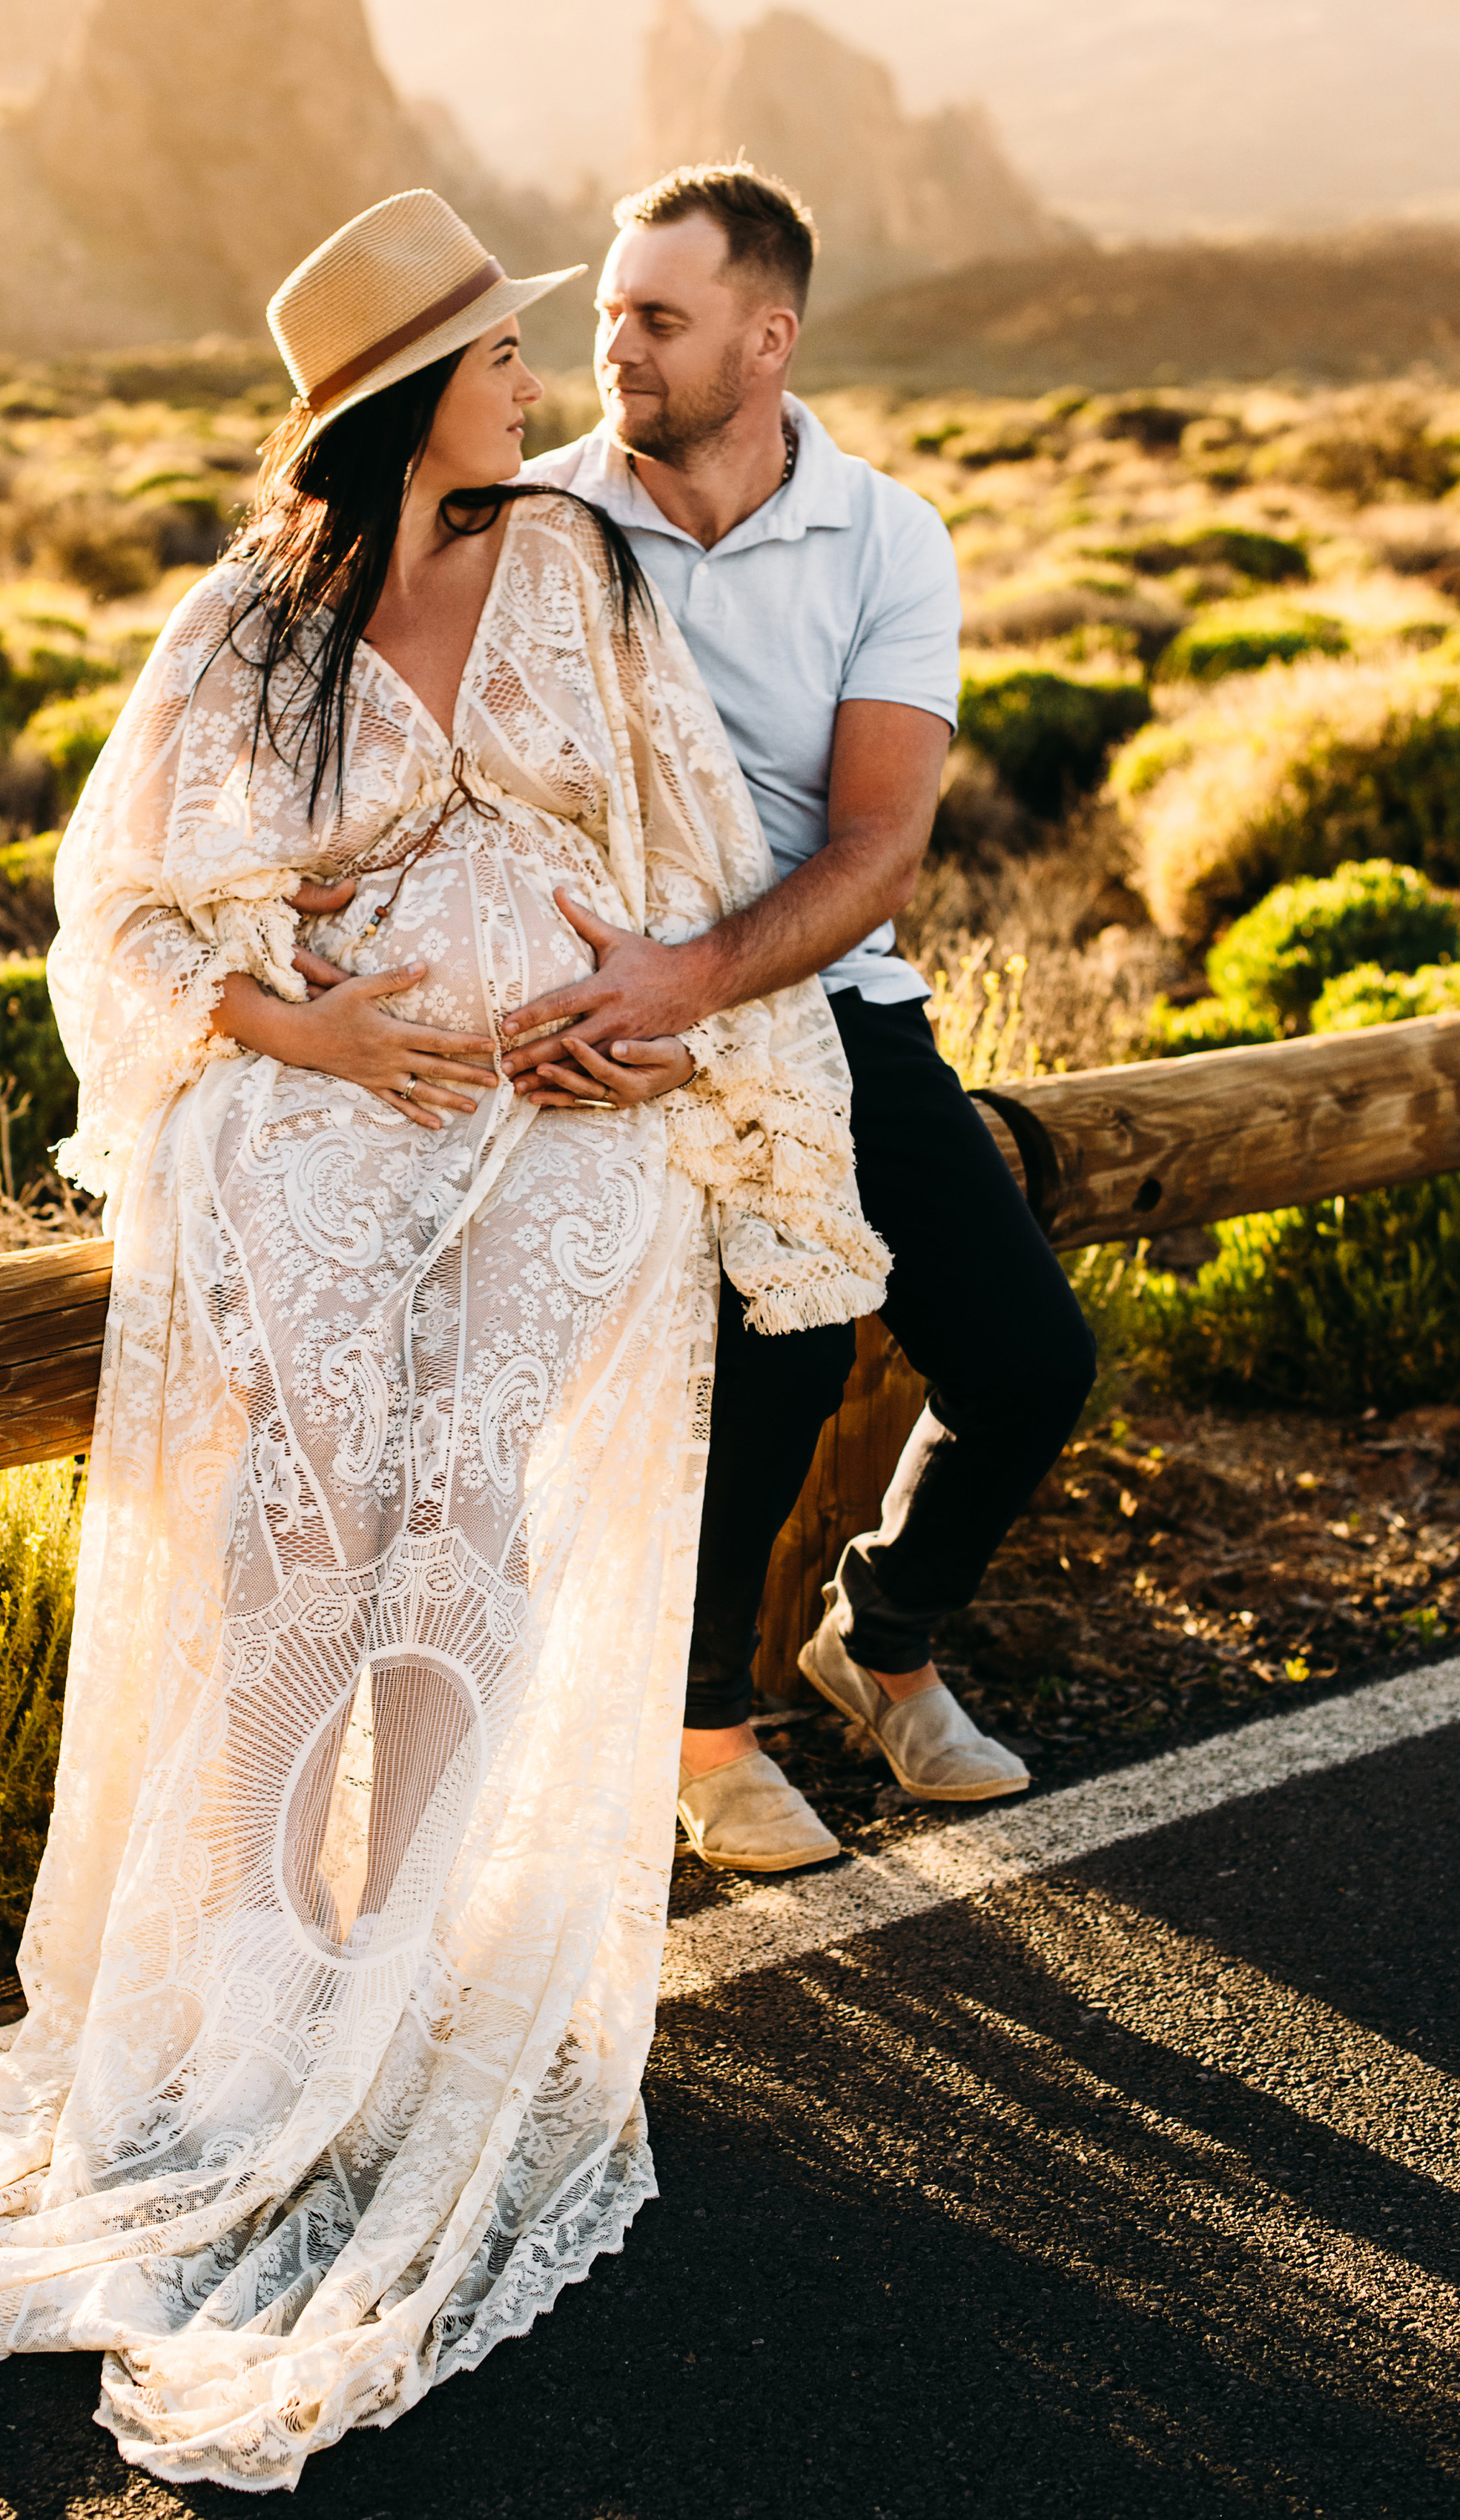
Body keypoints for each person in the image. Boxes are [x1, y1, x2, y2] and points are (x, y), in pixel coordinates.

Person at [0, 191, 888, 2487]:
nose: (539, 384)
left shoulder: (583, 576)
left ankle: (408, 1974)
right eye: (502, 357)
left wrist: (660, 1021)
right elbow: (112, 920)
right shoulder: (245, 625)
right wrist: (305, 1037)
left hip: (551, 1122)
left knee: (469, 1505)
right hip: (329, 1125)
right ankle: (249, 1958)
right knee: (299, 1529)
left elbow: (694, 843)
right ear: (405, 394)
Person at [497, 163, 1097, 1871]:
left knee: (1028, 1358)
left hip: (819, 1003)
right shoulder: (538, 524)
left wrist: (700, 977)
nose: (612, 345)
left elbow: (878, 843)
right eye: (607, 312)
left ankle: (881, 1640)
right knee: (781, 1349)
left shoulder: (885, 533)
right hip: (601, 1022)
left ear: (766, 339)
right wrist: (619, 1003)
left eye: (655, 318)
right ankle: (700, 1733)